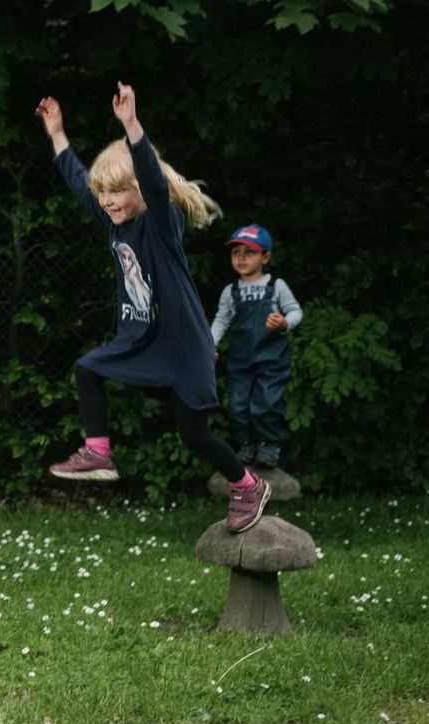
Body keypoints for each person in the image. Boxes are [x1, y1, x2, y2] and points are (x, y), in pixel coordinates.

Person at [34, 83, 270, 532]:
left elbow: (156, 185)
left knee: (195, 436)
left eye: (116, 192)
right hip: (146, 343)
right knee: (88, 369)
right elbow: (80, 185)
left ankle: (248, 485)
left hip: (182, 348)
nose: (107, 200)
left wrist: (132, 126)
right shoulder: (114, 222)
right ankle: (98, 451)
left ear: (140, 189)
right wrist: (58, 134)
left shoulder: (160, 223)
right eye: (103, 192)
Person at [211, 224, 302, 469]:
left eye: (249, 252)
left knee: (266, 404)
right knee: (238, 405)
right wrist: (209, 345)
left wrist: (284, 323)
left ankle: (268, 445)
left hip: (272, 359)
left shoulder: (276, 286)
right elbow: (221, 320)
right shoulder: (230, 291)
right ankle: (246, 444)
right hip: (240, 360)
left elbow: (296, 311)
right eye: (236, 252)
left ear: (266, 257)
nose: (241, 258)